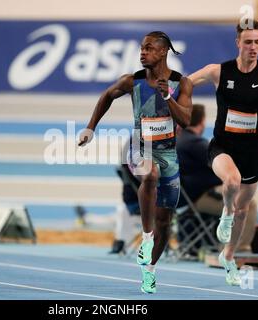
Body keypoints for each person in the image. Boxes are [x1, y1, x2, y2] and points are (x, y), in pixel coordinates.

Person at [79, 31, 193, 293]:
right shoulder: (133, 81)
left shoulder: (181, 83)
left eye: (149, 48)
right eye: (142, 48)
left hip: (169, 154)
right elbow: (107, 95)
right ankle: (146, 238)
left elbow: (186, 120)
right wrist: (90, 127)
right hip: (139, 148)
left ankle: (149, 270)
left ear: (163, 52)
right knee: (149, 175)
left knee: (165, 221)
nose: (143, 52)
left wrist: (168, 98)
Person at [188, 19, 258, 285]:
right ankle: (226, 213)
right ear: (238, 43)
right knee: (230, 181)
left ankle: (228, 255)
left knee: (244, 210)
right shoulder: (218, 71)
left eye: (257, 42)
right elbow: (185, 84)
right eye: (248, 42)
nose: (253, 47)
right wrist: (166, 96)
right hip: (222, 146)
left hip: (251, 150)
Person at [176, 104, 257, 255]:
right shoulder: (197, 144)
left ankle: (224, 245)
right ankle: (238, 250)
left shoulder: (179, 140)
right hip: (195, 199)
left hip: (182, 197)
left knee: (228, 195)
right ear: (202, 122)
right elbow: (224, 167)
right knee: (248, 203)